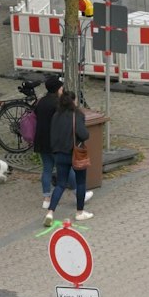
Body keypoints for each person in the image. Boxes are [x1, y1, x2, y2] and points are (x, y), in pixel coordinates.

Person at [45, 89, 93, 222]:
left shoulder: (56, 115)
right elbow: (84, 134)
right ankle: (80, 212)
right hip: (75, 154)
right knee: (81, 182)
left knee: (60, 184)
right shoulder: (77, 115)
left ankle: (50, 212)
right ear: (73, 101)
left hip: (59, 154)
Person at [34, 76, 62, 209]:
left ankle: (46, 198)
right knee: (65, 168)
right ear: (57, 89)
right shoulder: (58, 103)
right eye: (61, 87)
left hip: (41, 140)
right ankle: (80, 193)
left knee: (47, 169)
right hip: (54, 141)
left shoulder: (41, 101)